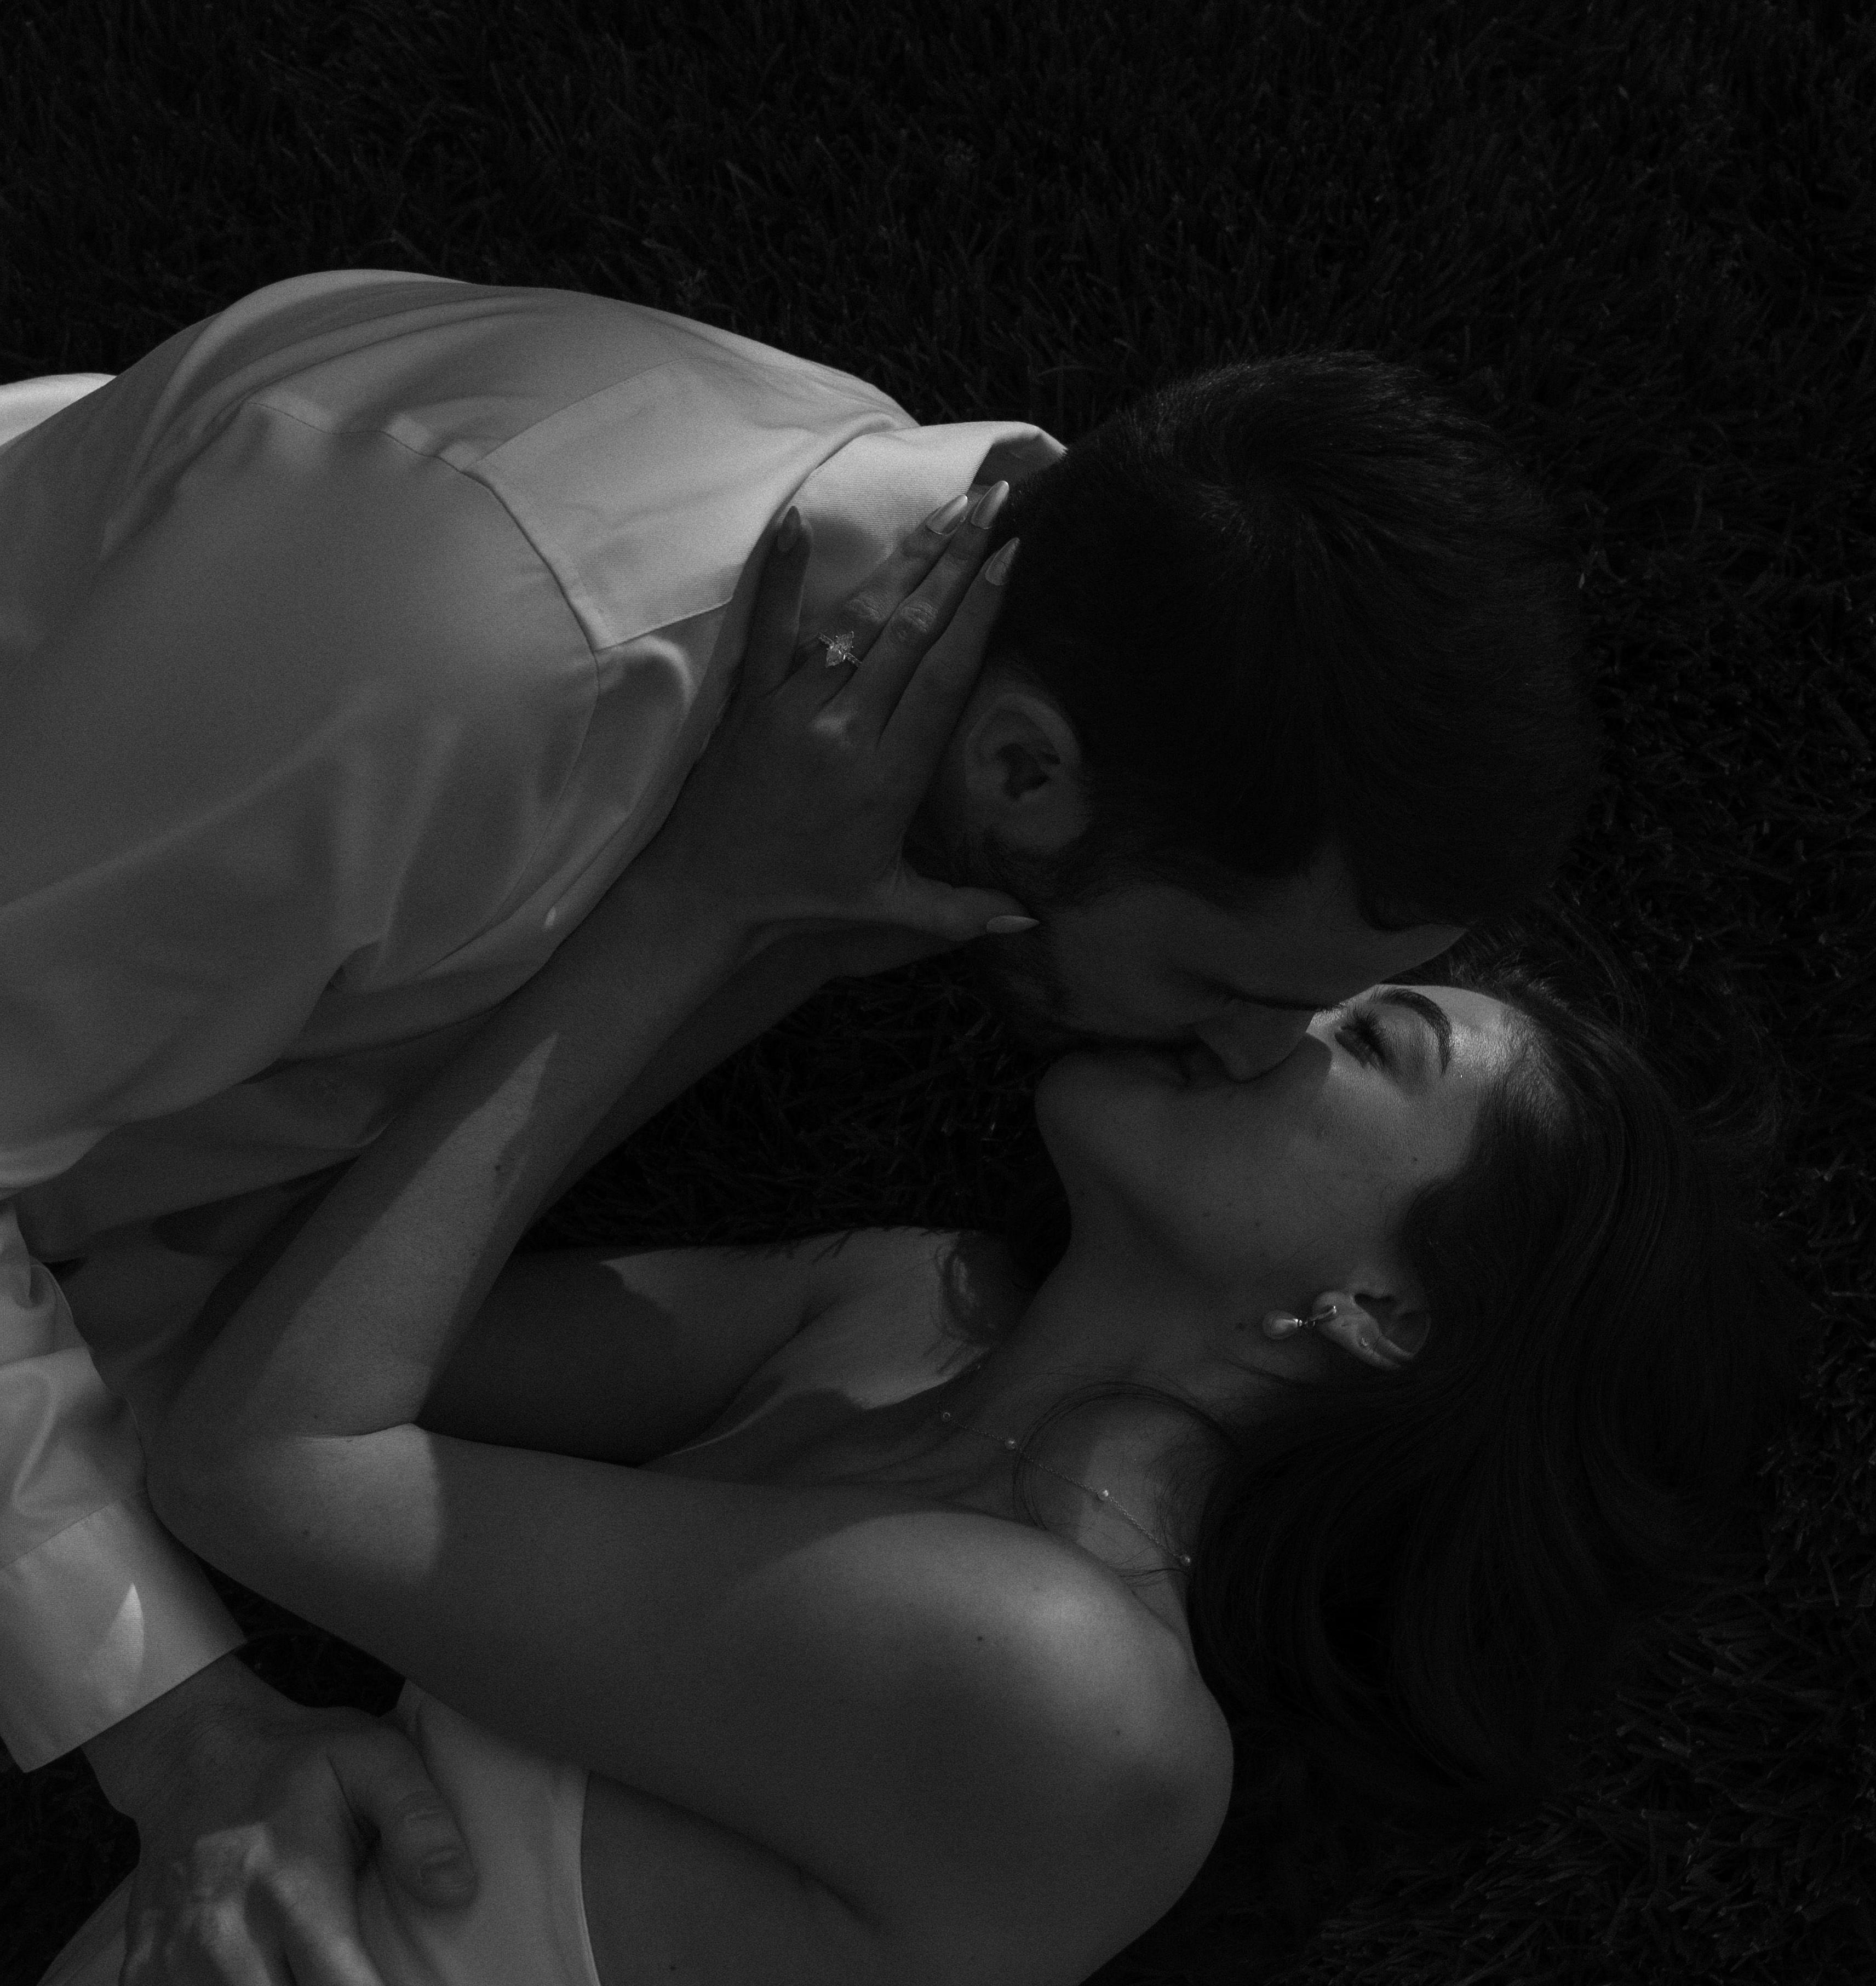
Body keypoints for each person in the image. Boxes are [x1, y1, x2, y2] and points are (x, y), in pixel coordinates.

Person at [1, 271, 1593, 1984]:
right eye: (1226, 977)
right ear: (1026, 773)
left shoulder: (854, 801)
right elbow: (243, 1396)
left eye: (1352, 1019)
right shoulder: (467, 662)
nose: (1256, 1046)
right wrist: (174, 1730)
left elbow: (233, 1355)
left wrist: (753, 925)